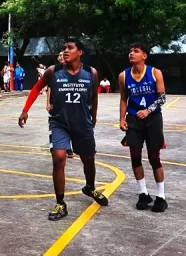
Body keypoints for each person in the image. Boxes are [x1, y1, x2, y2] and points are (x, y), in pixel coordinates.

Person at [18, 39, 108, 221]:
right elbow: (36, 89)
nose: (65, 51)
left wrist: (94, 117)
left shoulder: (91, 73)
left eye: (70, 48)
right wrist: (25, 110)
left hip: (82, 123)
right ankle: (61, 203)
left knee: (88, 160)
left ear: (80, 52)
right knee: (59, 158)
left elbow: (94, 98)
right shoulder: (54, 71)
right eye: (64, 48)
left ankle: (90, 187)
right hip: (59, 123)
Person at [119, 43, 168, 213]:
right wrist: (121, 118)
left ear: (144, 56)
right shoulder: (123, 76)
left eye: (136, 51)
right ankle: (143, 193)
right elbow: (124, 98)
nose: (131, 53)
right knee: (135, 157)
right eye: (130, 51)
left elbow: (162, 98)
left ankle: (161, 197)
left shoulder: (155, 72)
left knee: (154, 158)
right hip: (133, 120)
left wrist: (148, 110)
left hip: (153, 118)